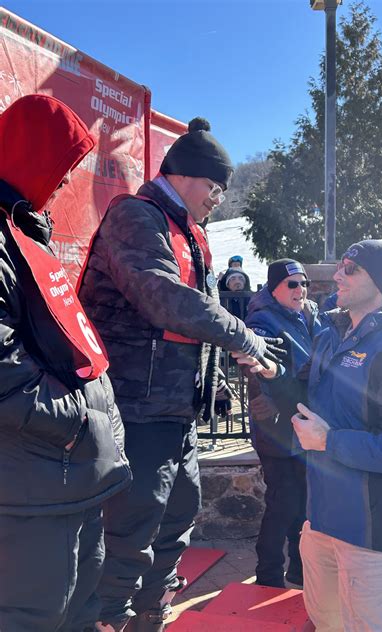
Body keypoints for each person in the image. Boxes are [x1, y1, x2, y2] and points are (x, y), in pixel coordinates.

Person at [78, 117, 282, 632]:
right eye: (214, 187)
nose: (218, 199)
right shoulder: (135, 216)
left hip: (176, 412)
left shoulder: (193, 234)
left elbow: (199, 313)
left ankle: (151, 612)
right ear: (184, 176)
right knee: (130, 528)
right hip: (134, 408)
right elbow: (166, 299)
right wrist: (246, 338)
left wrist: (210, 385)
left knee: (178, 517)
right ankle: (109, 620)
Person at [233, 238, 382, 632]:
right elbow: (307, 401)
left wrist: (329, 441)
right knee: (325, 622)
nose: (337, 274)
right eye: (341, 266)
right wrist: (272, 372)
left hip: (375, 534)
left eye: (352, 268)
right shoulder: (331, 332)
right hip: (321, 520)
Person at [0, 94, 131, 631]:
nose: (65, 183)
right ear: (28, 157)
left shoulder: (22, 234)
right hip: (30, 487)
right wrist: (81, 422)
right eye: (62, 167)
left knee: (78, 615)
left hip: (63, 479)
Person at [245, 259, 320, 588]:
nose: (300, 290)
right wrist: (269, 396)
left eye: (304, 283)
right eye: (292, 284)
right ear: (274, 286)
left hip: (303, 419)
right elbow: (258, 367)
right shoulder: (262, 319)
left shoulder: (309, 313)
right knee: (283, 502)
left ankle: (300, 569)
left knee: (303, 501)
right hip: (275, 424)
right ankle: (269, 575)